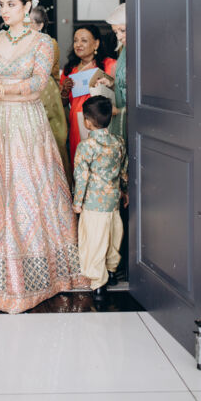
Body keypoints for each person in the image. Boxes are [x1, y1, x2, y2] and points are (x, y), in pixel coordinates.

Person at [0, 0, 87, 313]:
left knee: (29, 188)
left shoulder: (42, 42)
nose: (4, 10)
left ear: (27, 7)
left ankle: (43, 274)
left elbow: (37, 84)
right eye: (1, 4)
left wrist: (1, 91)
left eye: (11, 4)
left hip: (27, 124)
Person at [72, 96, 128, 297]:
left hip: (93, 203)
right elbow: (123, 170)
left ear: (87, 122)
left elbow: (81, 177)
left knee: (95, 241)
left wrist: (77, 202)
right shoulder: (119, 142)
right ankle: (111, 271)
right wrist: (124, 191)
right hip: (113, 201)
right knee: (113, 236)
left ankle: (98, 284)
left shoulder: (86, 147)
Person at [60, 25, 115, 169]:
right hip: (77, 123)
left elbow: (119, 94)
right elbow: (64, 103)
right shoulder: (69, 69)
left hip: (101, 123)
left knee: (100, 166)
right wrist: (65, 91)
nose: (78, 44)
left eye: (83, 40)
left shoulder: (109, 65)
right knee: (80, 165)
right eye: (75, 40)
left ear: (96, 44)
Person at [30, 6, 71, 187]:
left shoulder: (48, 42)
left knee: (51, 137)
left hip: (46, 92)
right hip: (31, 90)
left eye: (29, 23)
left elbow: (40, 71)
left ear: (40, 26)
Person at [103, 3, 127, 143]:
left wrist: (119, 111)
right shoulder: (124, 50)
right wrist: (111, 84)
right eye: (116, 32)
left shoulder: (142, 52)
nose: (119, 37)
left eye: (122, 30)